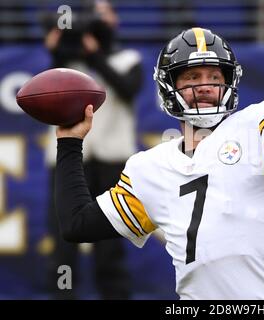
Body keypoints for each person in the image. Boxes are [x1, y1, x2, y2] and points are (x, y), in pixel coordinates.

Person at [53, 27, 264, 299]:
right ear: (170, 87)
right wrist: (69, 142)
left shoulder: (263, 123)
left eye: (214, 75)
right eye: (192, 76)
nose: (205, 85)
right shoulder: (148, 168)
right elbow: (77, 225)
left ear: (229, 82)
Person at [44, 0, 142, 299]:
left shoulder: (128, 58)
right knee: (64, 240)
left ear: (115, 20)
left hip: (112, 161)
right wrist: (57, 47)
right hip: (70, 160)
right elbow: (50, 87)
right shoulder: (67, 64)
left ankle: (114, 295)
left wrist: (95, 54)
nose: (96, 20)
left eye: (104, 13)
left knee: (110, 243)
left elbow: (127, 88)